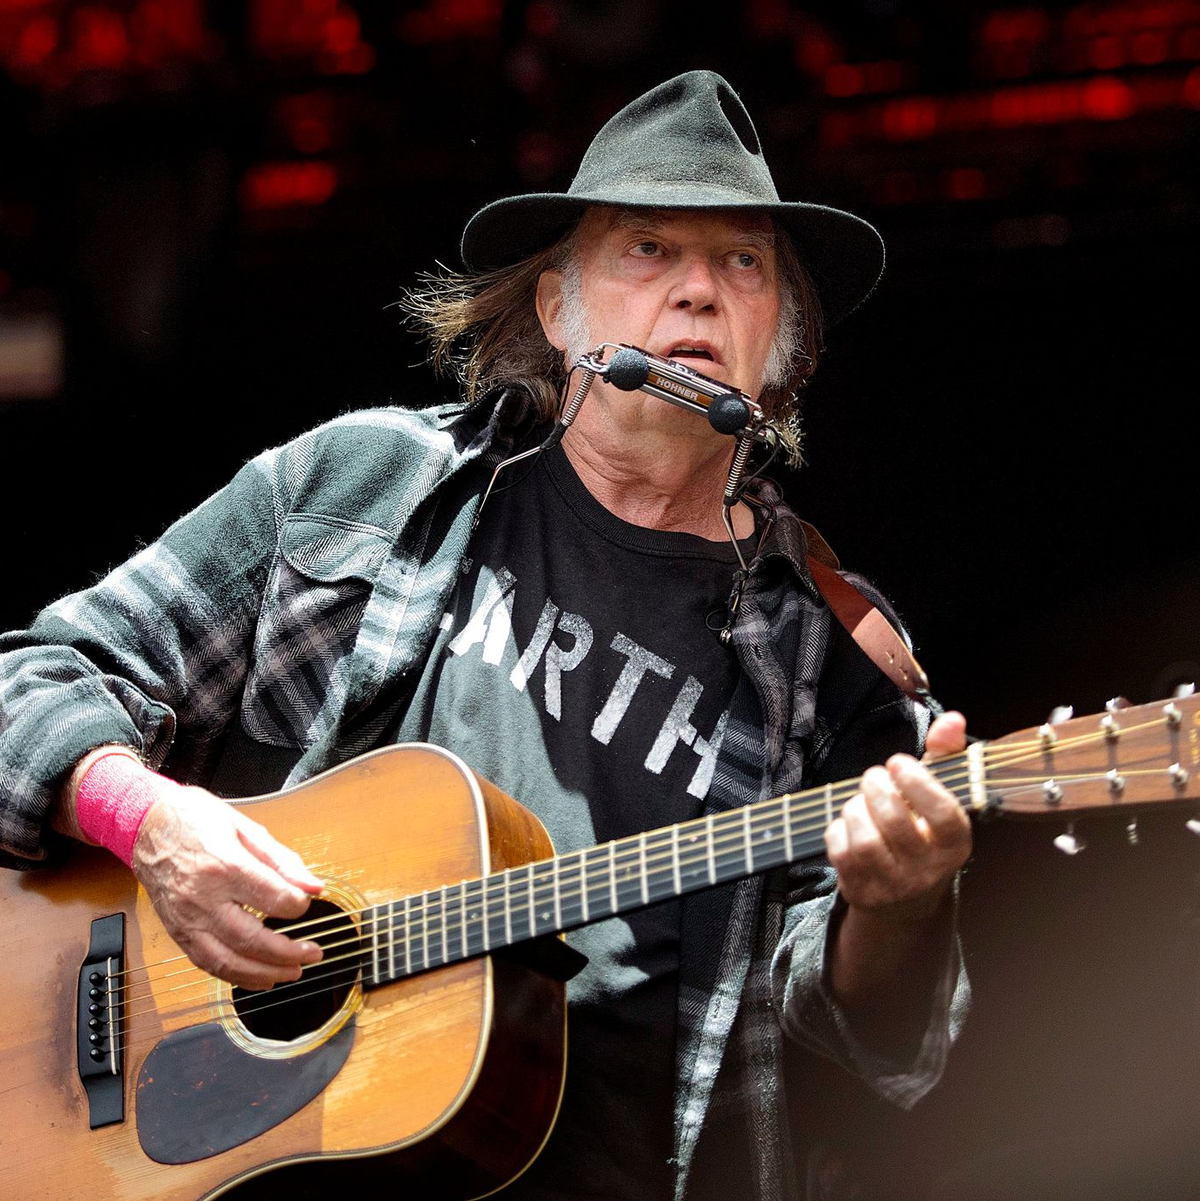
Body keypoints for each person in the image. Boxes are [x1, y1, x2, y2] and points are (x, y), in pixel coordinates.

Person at [0, 72, 971, 1199]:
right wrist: (152, 822)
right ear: (559, 313)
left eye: (743, 263)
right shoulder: (360, 486)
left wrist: (899, 910)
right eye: (648, 250)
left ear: (781, 349)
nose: (700, 290)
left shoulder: (836, 658)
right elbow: (28, 683)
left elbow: (870, 1052)